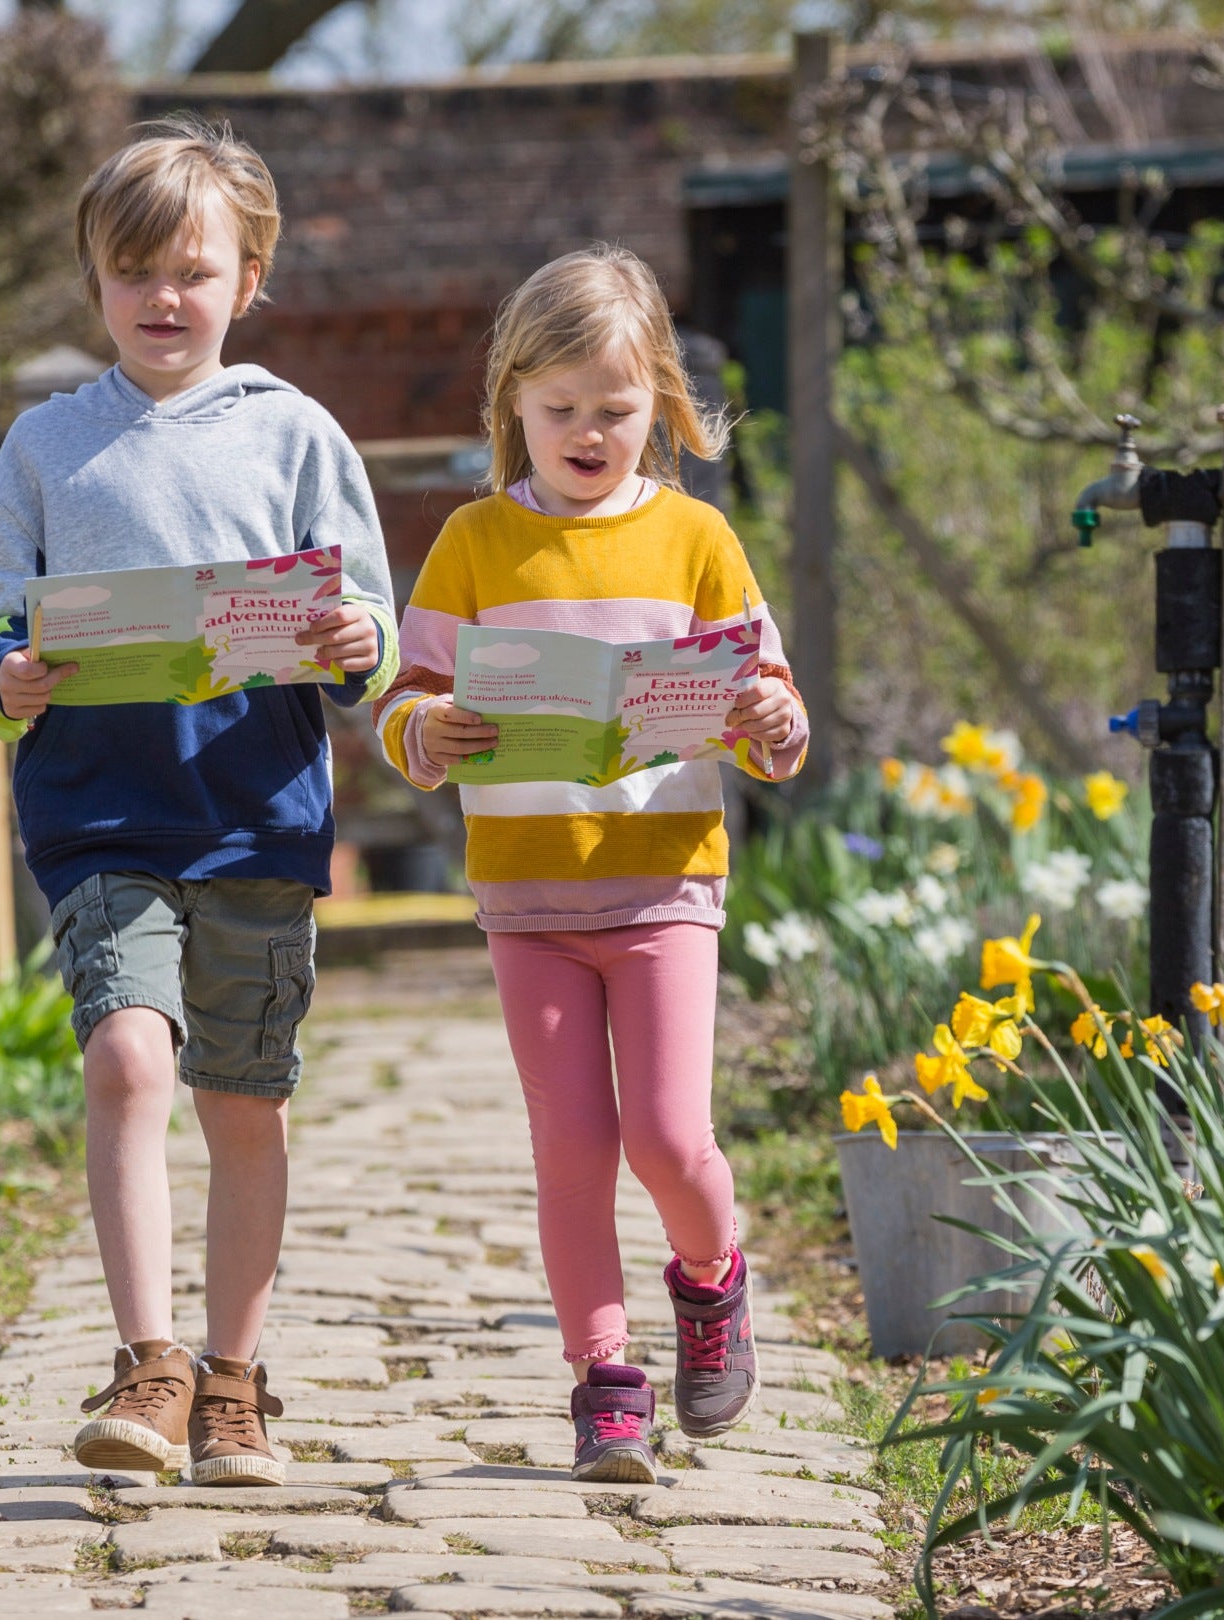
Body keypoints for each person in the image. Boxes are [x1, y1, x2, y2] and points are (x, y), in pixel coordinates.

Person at [0, 117, 397, 1487]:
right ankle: (146, 1366)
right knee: (129, 1061)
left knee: (240, 1099)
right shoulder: (43, 447)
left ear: (247, 276)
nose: (162, 298)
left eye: (193, 271)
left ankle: (233, 1382)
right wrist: (3, 675)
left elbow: (367, 622)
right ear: (94, 279)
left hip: (255, 809)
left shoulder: (295, 434)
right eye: (133, 271)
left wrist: (353, 650)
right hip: (99, 812)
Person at [372, 245, 807, 1482]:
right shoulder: (473, 543)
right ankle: (605, 1380)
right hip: (528, 899)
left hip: (667, 882)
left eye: (614, 411)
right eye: (560, 408)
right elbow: (405, 706)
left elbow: (768, 695)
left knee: (669, 1138)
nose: (586, 431)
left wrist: (775, 726)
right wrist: (426, 730)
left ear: (658, 405)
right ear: (513, 400)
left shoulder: (697, 537)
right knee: (571, 1144)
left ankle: (712, 1277)